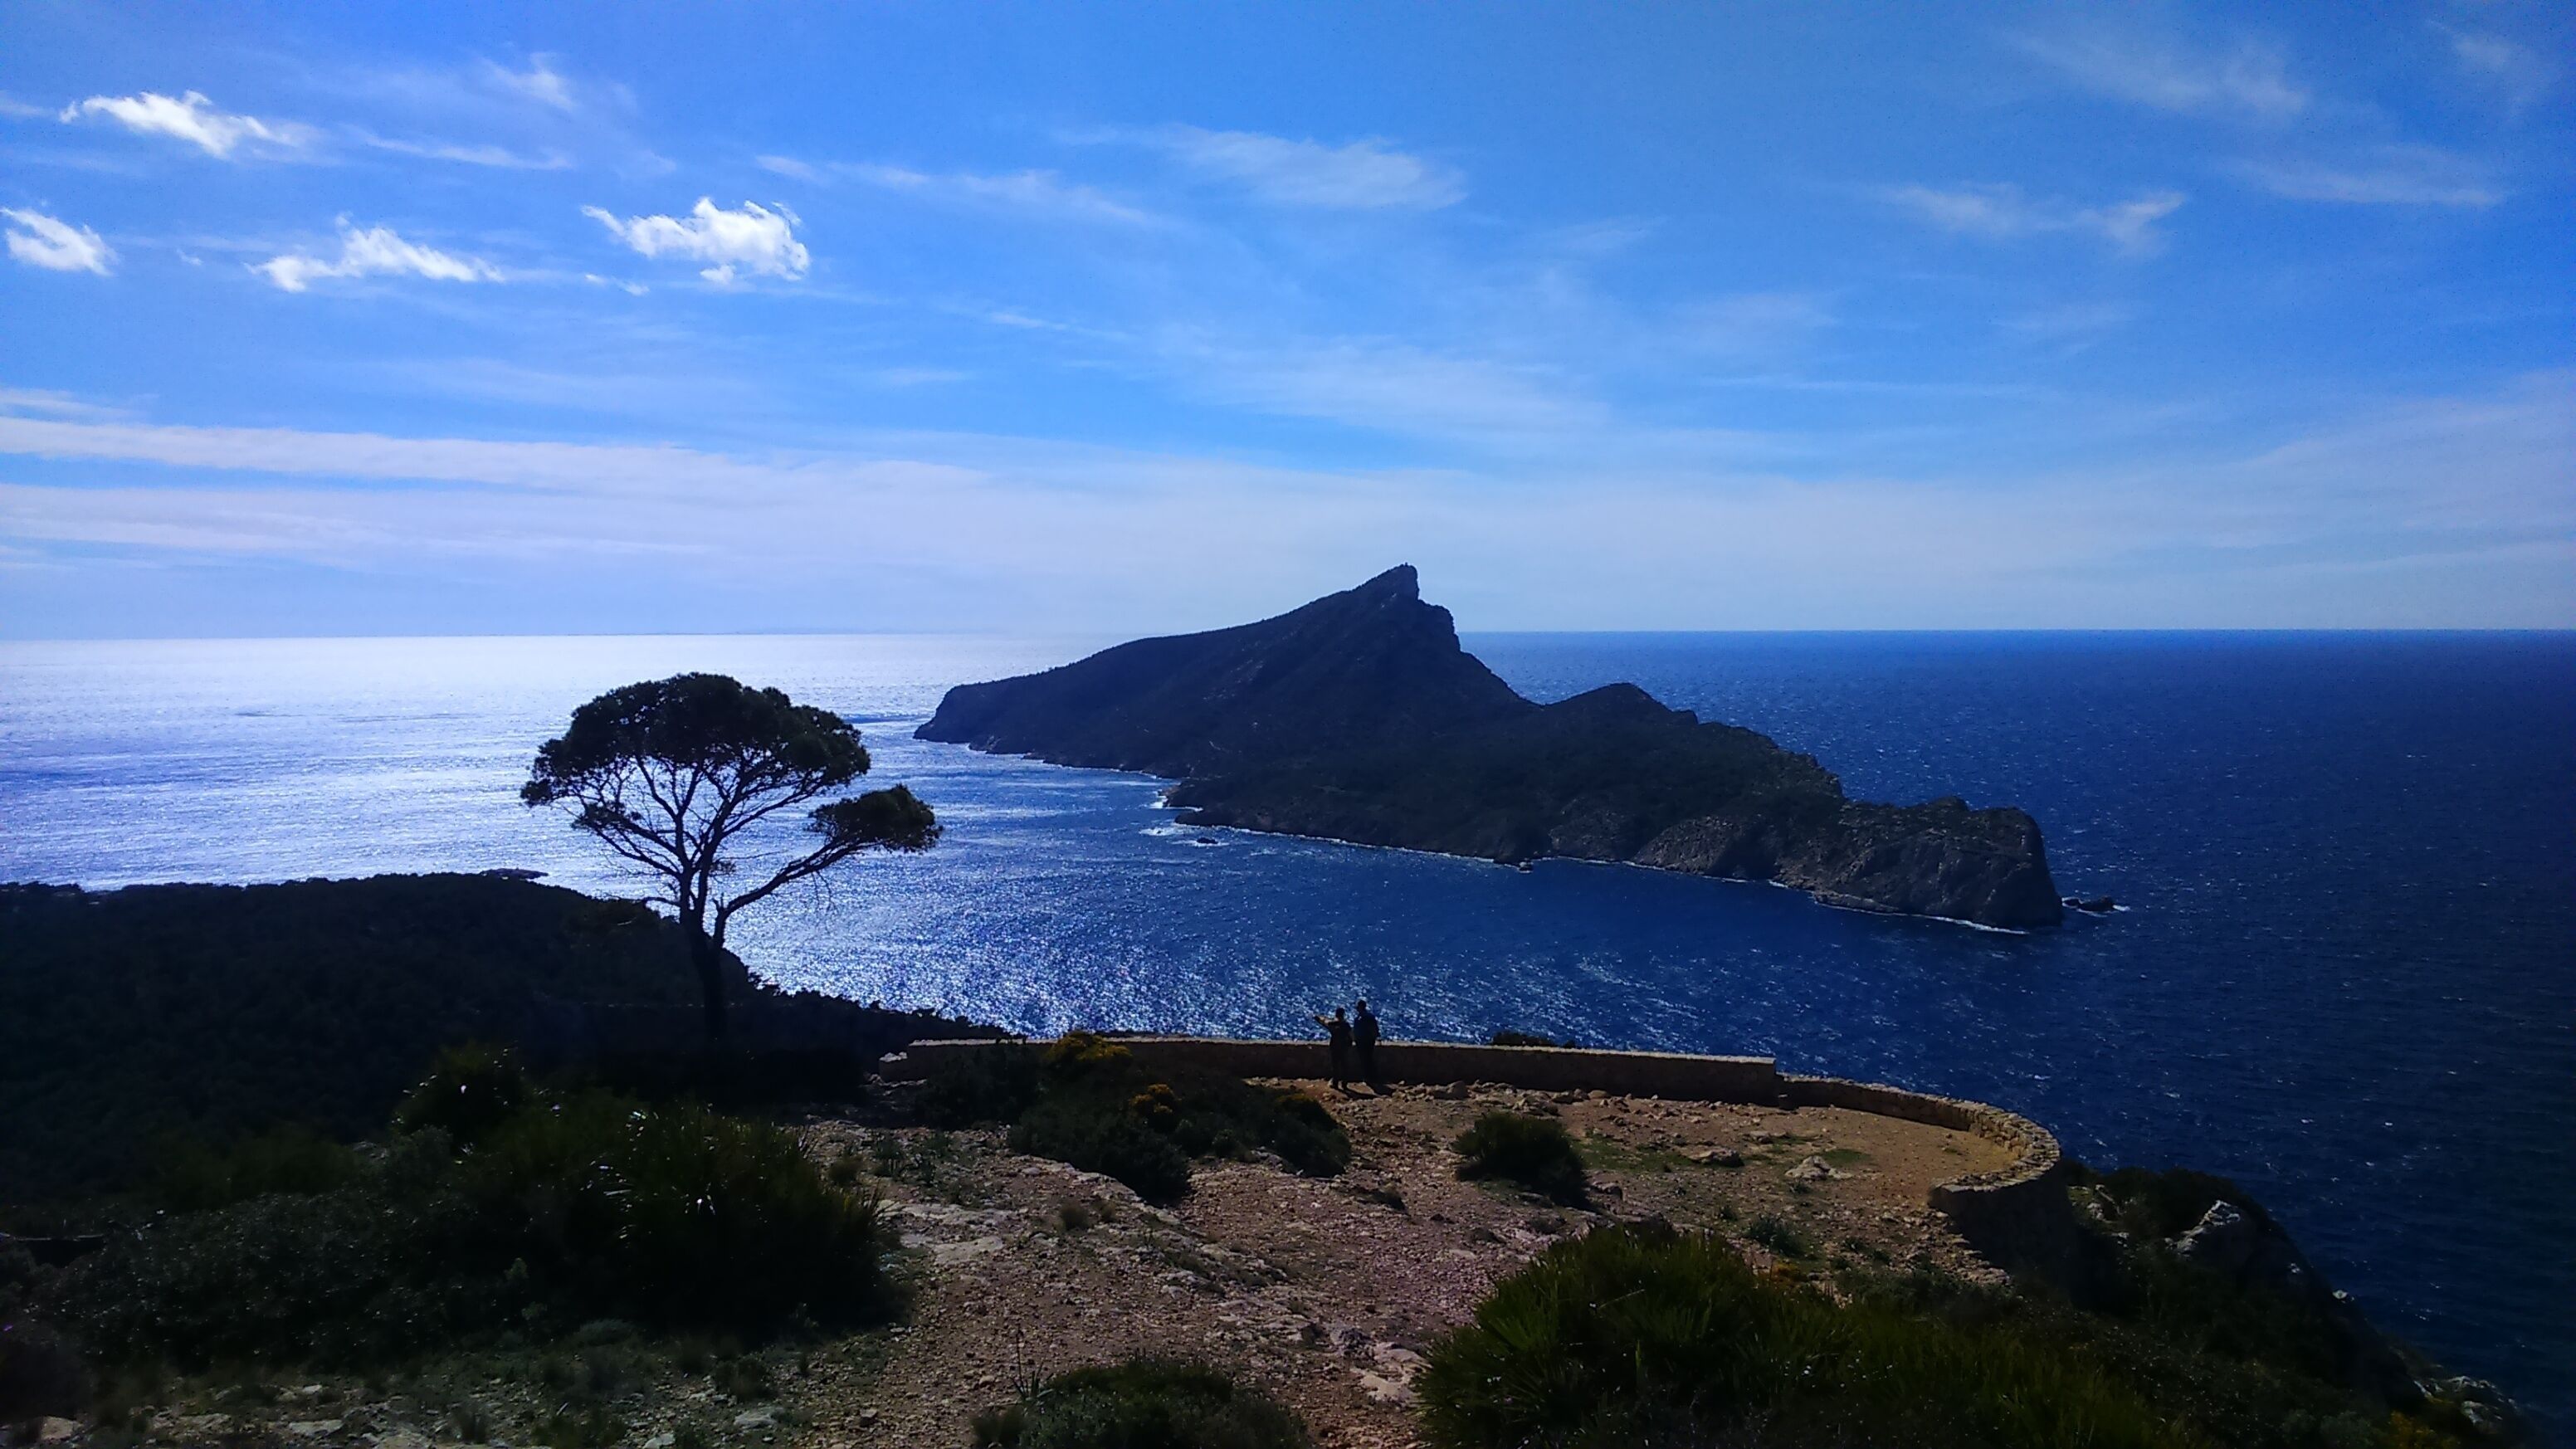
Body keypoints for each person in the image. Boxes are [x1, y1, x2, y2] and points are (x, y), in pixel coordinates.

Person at [1312, 1007, 1353, 1090]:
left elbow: (1324, 1022)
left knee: (1335, 1066)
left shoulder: (1332, 1024)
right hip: (1344, 1047)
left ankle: (1335, 1082)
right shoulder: (1346, 1025)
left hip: (1335, 1046)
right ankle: (1344, 1084)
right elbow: (1351, 1036)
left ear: (1336, 1014)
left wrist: (1317, 1018)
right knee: (1345, 1065)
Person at [1352, 998, 1382, 1090]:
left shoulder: (1359, 1019)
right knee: (1369, 1059)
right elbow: (1375, 1029)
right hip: (1369, 1041)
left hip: (1362, 1042)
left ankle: (1368, 1078)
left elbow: (1356, 1031)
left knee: (1365, 1060)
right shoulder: (1370, 1017)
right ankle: (1372, 1077)